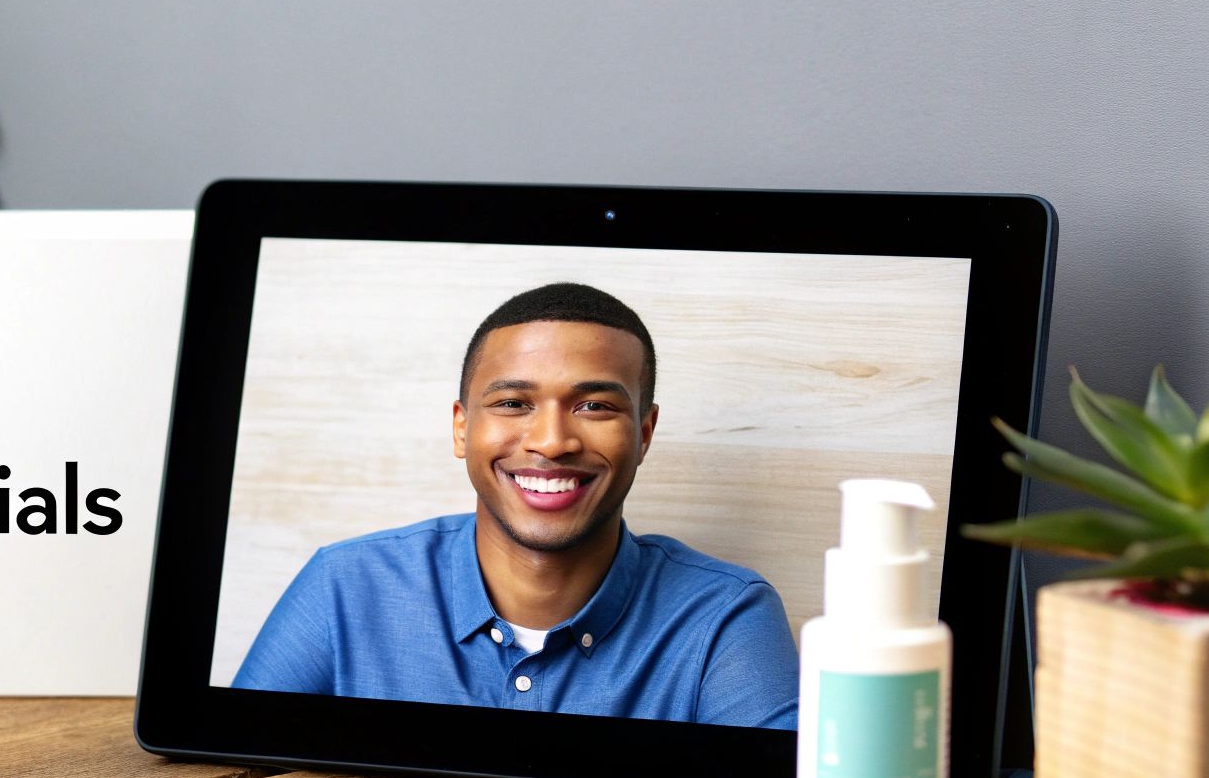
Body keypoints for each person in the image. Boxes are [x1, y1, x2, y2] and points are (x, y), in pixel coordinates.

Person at [233, 283, 798, 728]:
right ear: (461, 428)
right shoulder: (344, 586)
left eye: (594, 405)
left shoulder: (725, 617)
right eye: (512, 403)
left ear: (644, 434)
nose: (551, 442)